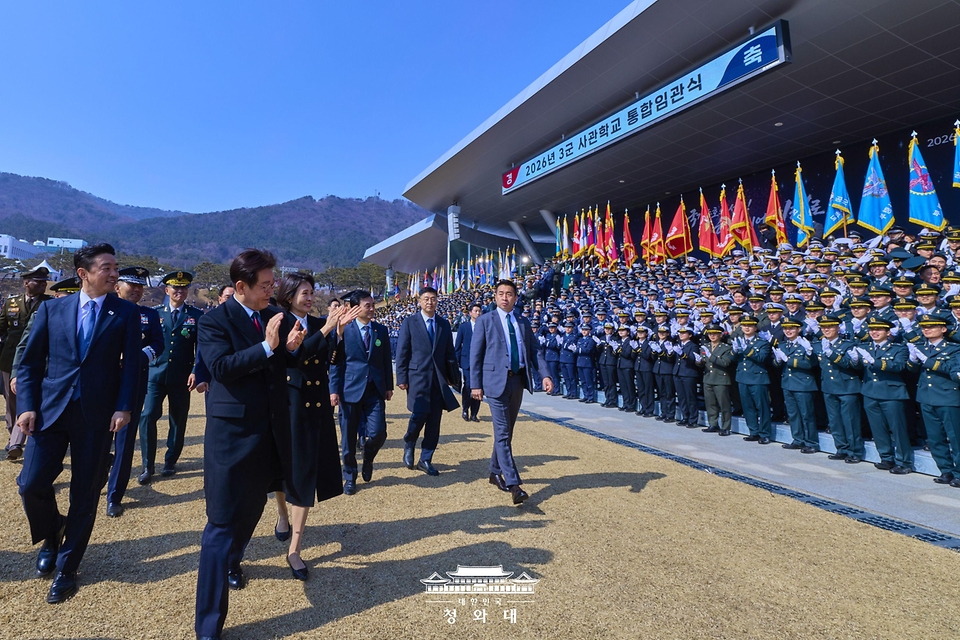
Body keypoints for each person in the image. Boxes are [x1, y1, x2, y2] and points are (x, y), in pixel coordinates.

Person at [194, 249, 313, 638]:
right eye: (265, 285)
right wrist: (266, 346)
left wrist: (289, 349)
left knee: (250, 512)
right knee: (221, 523)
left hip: (270, 435)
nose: (271, 290)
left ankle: (234, 559)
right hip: (231, 439)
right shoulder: (214, 321)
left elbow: (281, 365)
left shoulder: (271, 315)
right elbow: (222, 368)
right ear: (241, 287)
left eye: (272, 283)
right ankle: (208, 626)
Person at [16, 243, 141, 604]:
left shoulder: (126, 312)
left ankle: (67, 568)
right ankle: (52, 532)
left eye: (115, 267)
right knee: (30, 484)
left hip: (97, 415)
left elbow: (132, 366)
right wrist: (26, 406)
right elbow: (30, 363)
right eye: (106, 268)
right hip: (50, 411)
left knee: (84, 494)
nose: (114, 273)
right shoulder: (52, 309)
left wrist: (124, 408)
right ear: (84, 273)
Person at [270, 272, 347, 581]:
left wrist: (338, 334)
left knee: (306, 473)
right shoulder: (278, 322)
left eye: (312, 292)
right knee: (281, 468)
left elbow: (333, 359)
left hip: (315, 406)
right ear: (289, 296)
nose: (310, 297)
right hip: (288, 406)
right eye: (304, 292)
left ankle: (295, 549)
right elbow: (297, 357)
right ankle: (281, 513)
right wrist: (327, 328)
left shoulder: (317, 323)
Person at [469, 279, 553, 505]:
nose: (504, 297)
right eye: (501, 293)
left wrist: (545, 375)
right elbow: (475, 355)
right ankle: (514, 484)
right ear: (495, 296)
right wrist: (475, 385)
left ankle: (494, 471)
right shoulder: (485, 320)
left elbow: (535, 351)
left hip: (517, 382)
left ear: (515, 298)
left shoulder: (522, 322)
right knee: (503, 432)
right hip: (494, 383)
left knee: (507, 432)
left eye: (509, 294)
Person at [105, 267, 164, 517]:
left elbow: (158, 344)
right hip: (102, 383)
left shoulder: (149, 315)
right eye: (132, 285)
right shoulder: (104, 309)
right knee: (97, 437)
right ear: (117, 287)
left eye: (141, 286)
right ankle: (97, 477)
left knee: (125, 440)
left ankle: (115, 495)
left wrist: (137, 356)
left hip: (133, 382)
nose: (137, 290)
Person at [138, 271, 203, 483]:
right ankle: (147, 465)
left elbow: (201, 348)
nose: (179, 291)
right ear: (167, 290)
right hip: (155, 373)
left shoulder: (196, 316)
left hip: (181, 376)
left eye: (183, 287)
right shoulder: (155, 313)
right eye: (176, 287)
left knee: (178, 419)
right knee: (148, 416)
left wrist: (196, 370)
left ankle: (170, 461)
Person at [329, 289, 394, 496]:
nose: (372, 309)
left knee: (378, 433)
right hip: (350, 390)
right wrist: (333, 390)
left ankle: (368, 457)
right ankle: (350, 476)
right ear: (356, 308)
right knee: (348, 439)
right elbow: (336, 364)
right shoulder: (344, 330)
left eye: (373, 305)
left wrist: (389, 386)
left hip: (374, 390)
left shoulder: (380, 330)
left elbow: (385, 360)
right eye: (368, 306)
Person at [396, 287, 461, 475]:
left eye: (433, 299)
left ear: (437, 301)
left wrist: (452, 376)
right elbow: (402, 352)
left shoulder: (443, 324)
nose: (430, 302)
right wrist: (401, 377)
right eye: (426, 299)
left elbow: (449, 352)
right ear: (419, 301)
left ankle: (426, 459)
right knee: (419, 414)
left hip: (438, 379)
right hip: (417, 377)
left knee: (434, 420)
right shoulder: (410, 322)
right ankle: (410, 441)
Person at [1, 265, 51, 460]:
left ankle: (17, 441)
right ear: (26, 283)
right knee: (11, 401)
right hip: (9, 359)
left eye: (44, 282)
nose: (43, 285)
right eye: (38, 282)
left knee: (30, 397)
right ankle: (13, 436)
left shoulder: (50, 303)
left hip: (38, 359)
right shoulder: (11, 302)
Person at [907, 316, 960, 486]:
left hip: (947, 397)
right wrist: (912, 361)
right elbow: (912, 370)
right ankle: (945, 470)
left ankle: (959, 473)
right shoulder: (922, 347)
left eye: (932, 326)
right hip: (926, 396)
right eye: (924, 327)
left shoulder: (954, 348)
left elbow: (953, 370)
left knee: (955, 437)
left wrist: (928, 361)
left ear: (943, 329)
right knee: (935, 437)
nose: (927, 329)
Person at [855, 319, 912, 474]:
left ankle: (904, 462)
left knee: (898, 429)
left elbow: (899, 366)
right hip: (870, 392)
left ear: (888, 332)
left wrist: (876, 362)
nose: (874, 332)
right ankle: (886, 457)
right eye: (872, 329)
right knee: (877, 427)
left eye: (879, 329)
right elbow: (856, 366)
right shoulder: (864, 347)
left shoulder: (898, 348)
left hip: (891, 393)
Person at [815, 314, 864, 463]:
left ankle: (854, 451)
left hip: (847, 387)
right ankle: (841, 448)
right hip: (828, 387)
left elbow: (852, 365)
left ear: (837, 328)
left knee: (850, 421)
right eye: (823, 327)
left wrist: (832, 354)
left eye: (830, 326)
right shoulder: (819, 344)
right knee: (834, 420)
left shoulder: (848, 345)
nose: (826, 329)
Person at [772, 318, 819, 453]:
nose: (788, 331)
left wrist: (790, 360)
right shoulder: (783, 345)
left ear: (799, 329)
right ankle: (798, 439)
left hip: (803, 384)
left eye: (791, 328)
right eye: (785, 328)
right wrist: (778, 360)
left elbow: (810, 364)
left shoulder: (805, 344)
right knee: (793, 414)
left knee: (807, 415)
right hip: (788, 383)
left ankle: (811, 442)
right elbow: (777, 365)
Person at [732, 315, 773, 444]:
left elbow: (761, 358)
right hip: (743, 377)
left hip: (757, 378)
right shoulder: (738, 341)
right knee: (747, 406)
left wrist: (747, 350)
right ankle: (753, 431)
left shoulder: (762, 342)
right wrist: (734, 351)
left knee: (762, 407)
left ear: (755, 328)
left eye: (750, 326)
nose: (747, 328)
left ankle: (765, 433)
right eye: (744, 325)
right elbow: (732, 360)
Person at [700, 325, 734, 435]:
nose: (712, 336)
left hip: (720, 379)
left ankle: (726, 427)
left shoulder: (726, 348)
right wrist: (698, 361)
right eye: (710, 334)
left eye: (715, 333)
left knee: (724, 405)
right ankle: (713, 424)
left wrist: (712, 357)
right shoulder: (705, 346)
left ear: (720, 335)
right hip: (708, 378)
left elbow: (725, 362)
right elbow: (703, 363)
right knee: (710, 404)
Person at [453, 302, 483, 420]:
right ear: (470, 313)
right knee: (469, 385)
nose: (478, 313)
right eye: (476, 311)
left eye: (479, 311)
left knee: (479, 386)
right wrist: (456, 362)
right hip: (467, 362)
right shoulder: (463, 327)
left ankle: (474, 413)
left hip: (480, 362)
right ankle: (465, 409)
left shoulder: (484, 326)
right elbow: (457, 346)